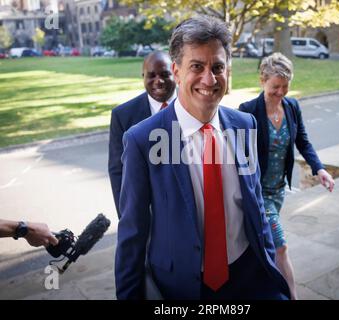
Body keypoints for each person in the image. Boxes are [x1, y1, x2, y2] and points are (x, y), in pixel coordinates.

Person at [115, 15, 291, 300]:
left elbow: (256, 207)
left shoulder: (245, 124)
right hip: (182, 287)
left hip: (250, 278)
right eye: (197, 66)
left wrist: (270, 264)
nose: (209, 79)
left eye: (218, 67)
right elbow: (132, 234)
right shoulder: (142, 140)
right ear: (177, 71)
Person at [239, 52, 335, 299]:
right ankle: (291, 295)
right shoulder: (248, 111)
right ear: (262, 80)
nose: (280, 92)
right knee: (280, 246)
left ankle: (259, 284)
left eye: (285, 87)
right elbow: (239, 157)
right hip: (257, 193)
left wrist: (320, 168)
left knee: (265, 243)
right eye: (275, 87)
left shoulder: (292, 107)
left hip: (279, 189)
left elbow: (303, 140)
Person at [108, 51, 177, 218]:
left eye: (165, 74)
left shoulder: (194, 106)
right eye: (151, 76)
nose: (158, 81)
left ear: (175, 73)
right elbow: (118, 171)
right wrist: (127, 217)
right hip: (147, 212)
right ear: (143, 77)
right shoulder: (123, 115)